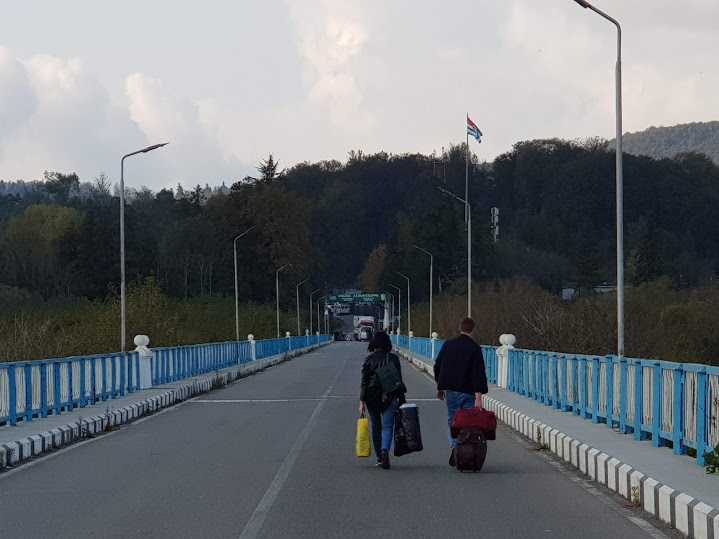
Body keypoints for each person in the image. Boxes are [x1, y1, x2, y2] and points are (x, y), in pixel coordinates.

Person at [433, 317, 488, 467]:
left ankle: (455, 446)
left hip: (451, 390)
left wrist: (439, 387)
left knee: (453, 419)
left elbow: (438, 366)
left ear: (460, 328)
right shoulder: (475, 348)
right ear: (473, 330)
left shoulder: (448, 345)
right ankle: (464, 450)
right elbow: (478, 373)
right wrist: (479, 395)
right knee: (468, 422)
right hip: (468, 391)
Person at [359, 331, 407, 469]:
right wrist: (402, 398)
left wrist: (361, 401)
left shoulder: (368, 360)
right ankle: (385, 450)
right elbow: (398, 380)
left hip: (371, 397)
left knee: (376, 426)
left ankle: (380, 457)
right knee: (387, 427)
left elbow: (364, 382)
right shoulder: (393, 359)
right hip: (389, 395)